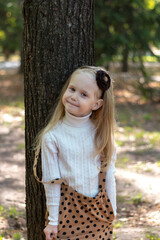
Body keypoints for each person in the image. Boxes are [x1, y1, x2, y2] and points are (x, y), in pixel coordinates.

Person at [34, 66, 117, 240]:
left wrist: (113, 211)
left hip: (99, 214)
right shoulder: (53, 137)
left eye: (83, 94)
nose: (73, 96)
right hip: (67, 214)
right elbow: (51, 182)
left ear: (97, 104)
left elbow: (109, 175)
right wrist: (53, 221)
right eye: (72, 89)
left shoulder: (102, 135)